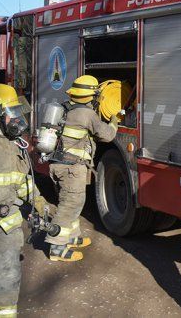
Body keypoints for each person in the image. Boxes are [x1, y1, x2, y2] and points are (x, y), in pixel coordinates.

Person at [0, 83, 42, 317]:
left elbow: (20, 180)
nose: (16, 120)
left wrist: (39, 201)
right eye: (10, 114)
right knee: (0, 295)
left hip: (7, 230)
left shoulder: (9, 143)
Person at [45, 75, 118, 262]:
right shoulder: (87, 114)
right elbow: (106, 135)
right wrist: (114, 122)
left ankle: (71, 237)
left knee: (72, 201)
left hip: (58, 165)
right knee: (69, 205)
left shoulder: (63, 107)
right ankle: (57, 247)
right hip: (72, 168)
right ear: (91, 96)